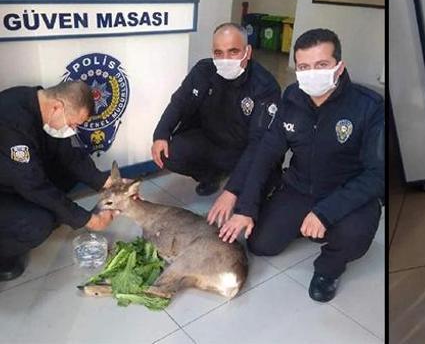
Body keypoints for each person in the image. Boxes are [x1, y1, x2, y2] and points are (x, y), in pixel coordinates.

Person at [207, 28, 384, 302]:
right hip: (300, 187)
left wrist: (325, 213)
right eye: (304, 67)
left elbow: (377, 175)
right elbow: (265, 154)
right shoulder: (292, 99)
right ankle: (304, 224)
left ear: (339, 67)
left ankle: (328, 269)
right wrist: (245, 207)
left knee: (353, 236)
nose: (312, 73)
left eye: (321, 65)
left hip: (346, 192)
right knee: (259, 244)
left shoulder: (368, 106)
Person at [0, 81, 117, 281]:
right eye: (72, 124)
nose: (72, 129)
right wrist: (87, 219)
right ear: (57, 107)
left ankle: (49, 213)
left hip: (14, 177)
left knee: (66, 177)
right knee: (39, 223)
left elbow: (69, 156)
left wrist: (107, 182)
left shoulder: (40, 103)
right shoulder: (12, 123)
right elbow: (34, 186)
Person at [151, 23, 281, 196]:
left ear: (247, 52)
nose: (225, 59)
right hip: (210, 140)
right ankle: (210, 176)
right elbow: (179, 102)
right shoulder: (203, 70)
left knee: (259, 182)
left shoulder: (264, 86)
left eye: (233, 51)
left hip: (243, 149)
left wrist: (231, 191)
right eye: (218, 53)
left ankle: (247, 185)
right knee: (169, 153)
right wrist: (160, 134)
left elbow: (259, 143)